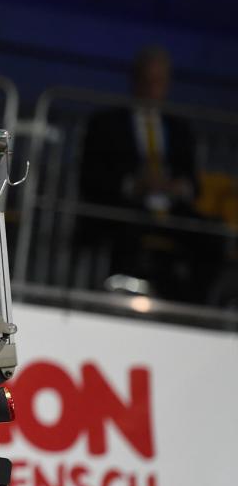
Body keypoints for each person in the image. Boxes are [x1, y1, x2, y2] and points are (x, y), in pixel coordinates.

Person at [79, 45, 213, 301]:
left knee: (211, 235)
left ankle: (190, 306)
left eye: (159, 81)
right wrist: (135, 184)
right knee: (127, 230)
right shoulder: (107, 124)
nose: (152, 89)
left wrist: (176, 186)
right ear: (134, 80)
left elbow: (194, 184)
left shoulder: (179, 129)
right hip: (126, 208)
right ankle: (120, 299)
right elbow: (91, 177)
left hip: (171, 211)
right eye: (147, 80)